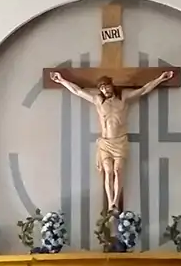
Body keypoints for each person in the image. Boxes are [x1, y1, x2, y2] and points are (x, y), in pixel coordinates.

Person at [49, 70, 174, 213]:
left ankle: (116, 200)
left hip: (120, 141)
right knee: (108, 171)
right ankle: (111, 203)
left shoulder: (123, 97)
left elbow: (143, 90)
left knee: (118, 170)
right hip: (105, 143)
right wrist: (61, 80)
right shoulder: (98, 100)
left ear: (111, 85)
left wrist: (160, 79)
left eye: (106, 86)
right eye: (101, 88)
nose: (105, 90)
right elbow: (77, 91)